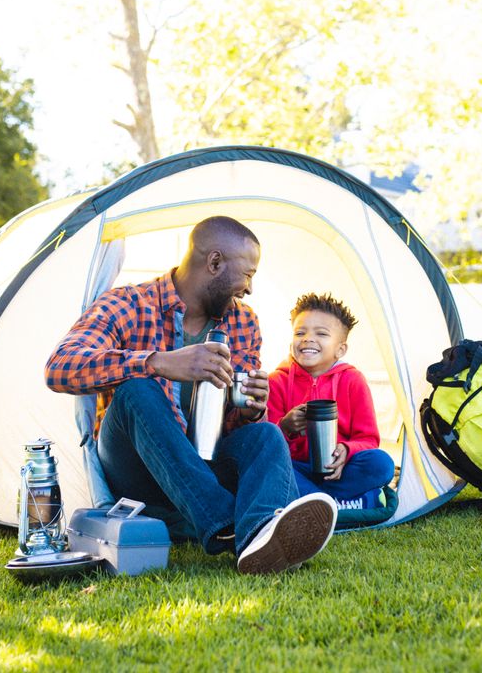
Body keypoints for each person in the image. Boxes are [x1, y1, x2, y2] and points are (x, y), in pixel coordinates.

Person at [44, 216, 337, 574]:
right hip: (137, 471)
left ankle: (258, 540)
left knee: (266, 433)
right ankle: (227, 525)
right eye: (247, 274)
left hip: (204, 461)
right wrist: (160, 362)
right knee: (137, 390)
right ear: (214, 263)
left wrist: (250, 410)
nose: (249, 288)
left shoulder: (243, 322)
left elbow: (233, 424)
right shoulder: (129, 303)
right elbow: (60, 367)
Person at [267, 292, 395, 509]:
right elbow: (266, 444)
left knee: (381, 464)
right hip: (295, 468)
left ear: (340, 349)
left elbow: (368, 439)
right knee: (269, 470)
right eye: (300, 332)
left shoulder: (353, 380)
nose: (308, 338)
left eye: (321, 334)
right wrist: (285, 427)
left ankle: (313, 503)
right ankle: (346, 503)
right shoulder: (276, 381)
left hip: (339, 470)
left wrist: (347, 450)